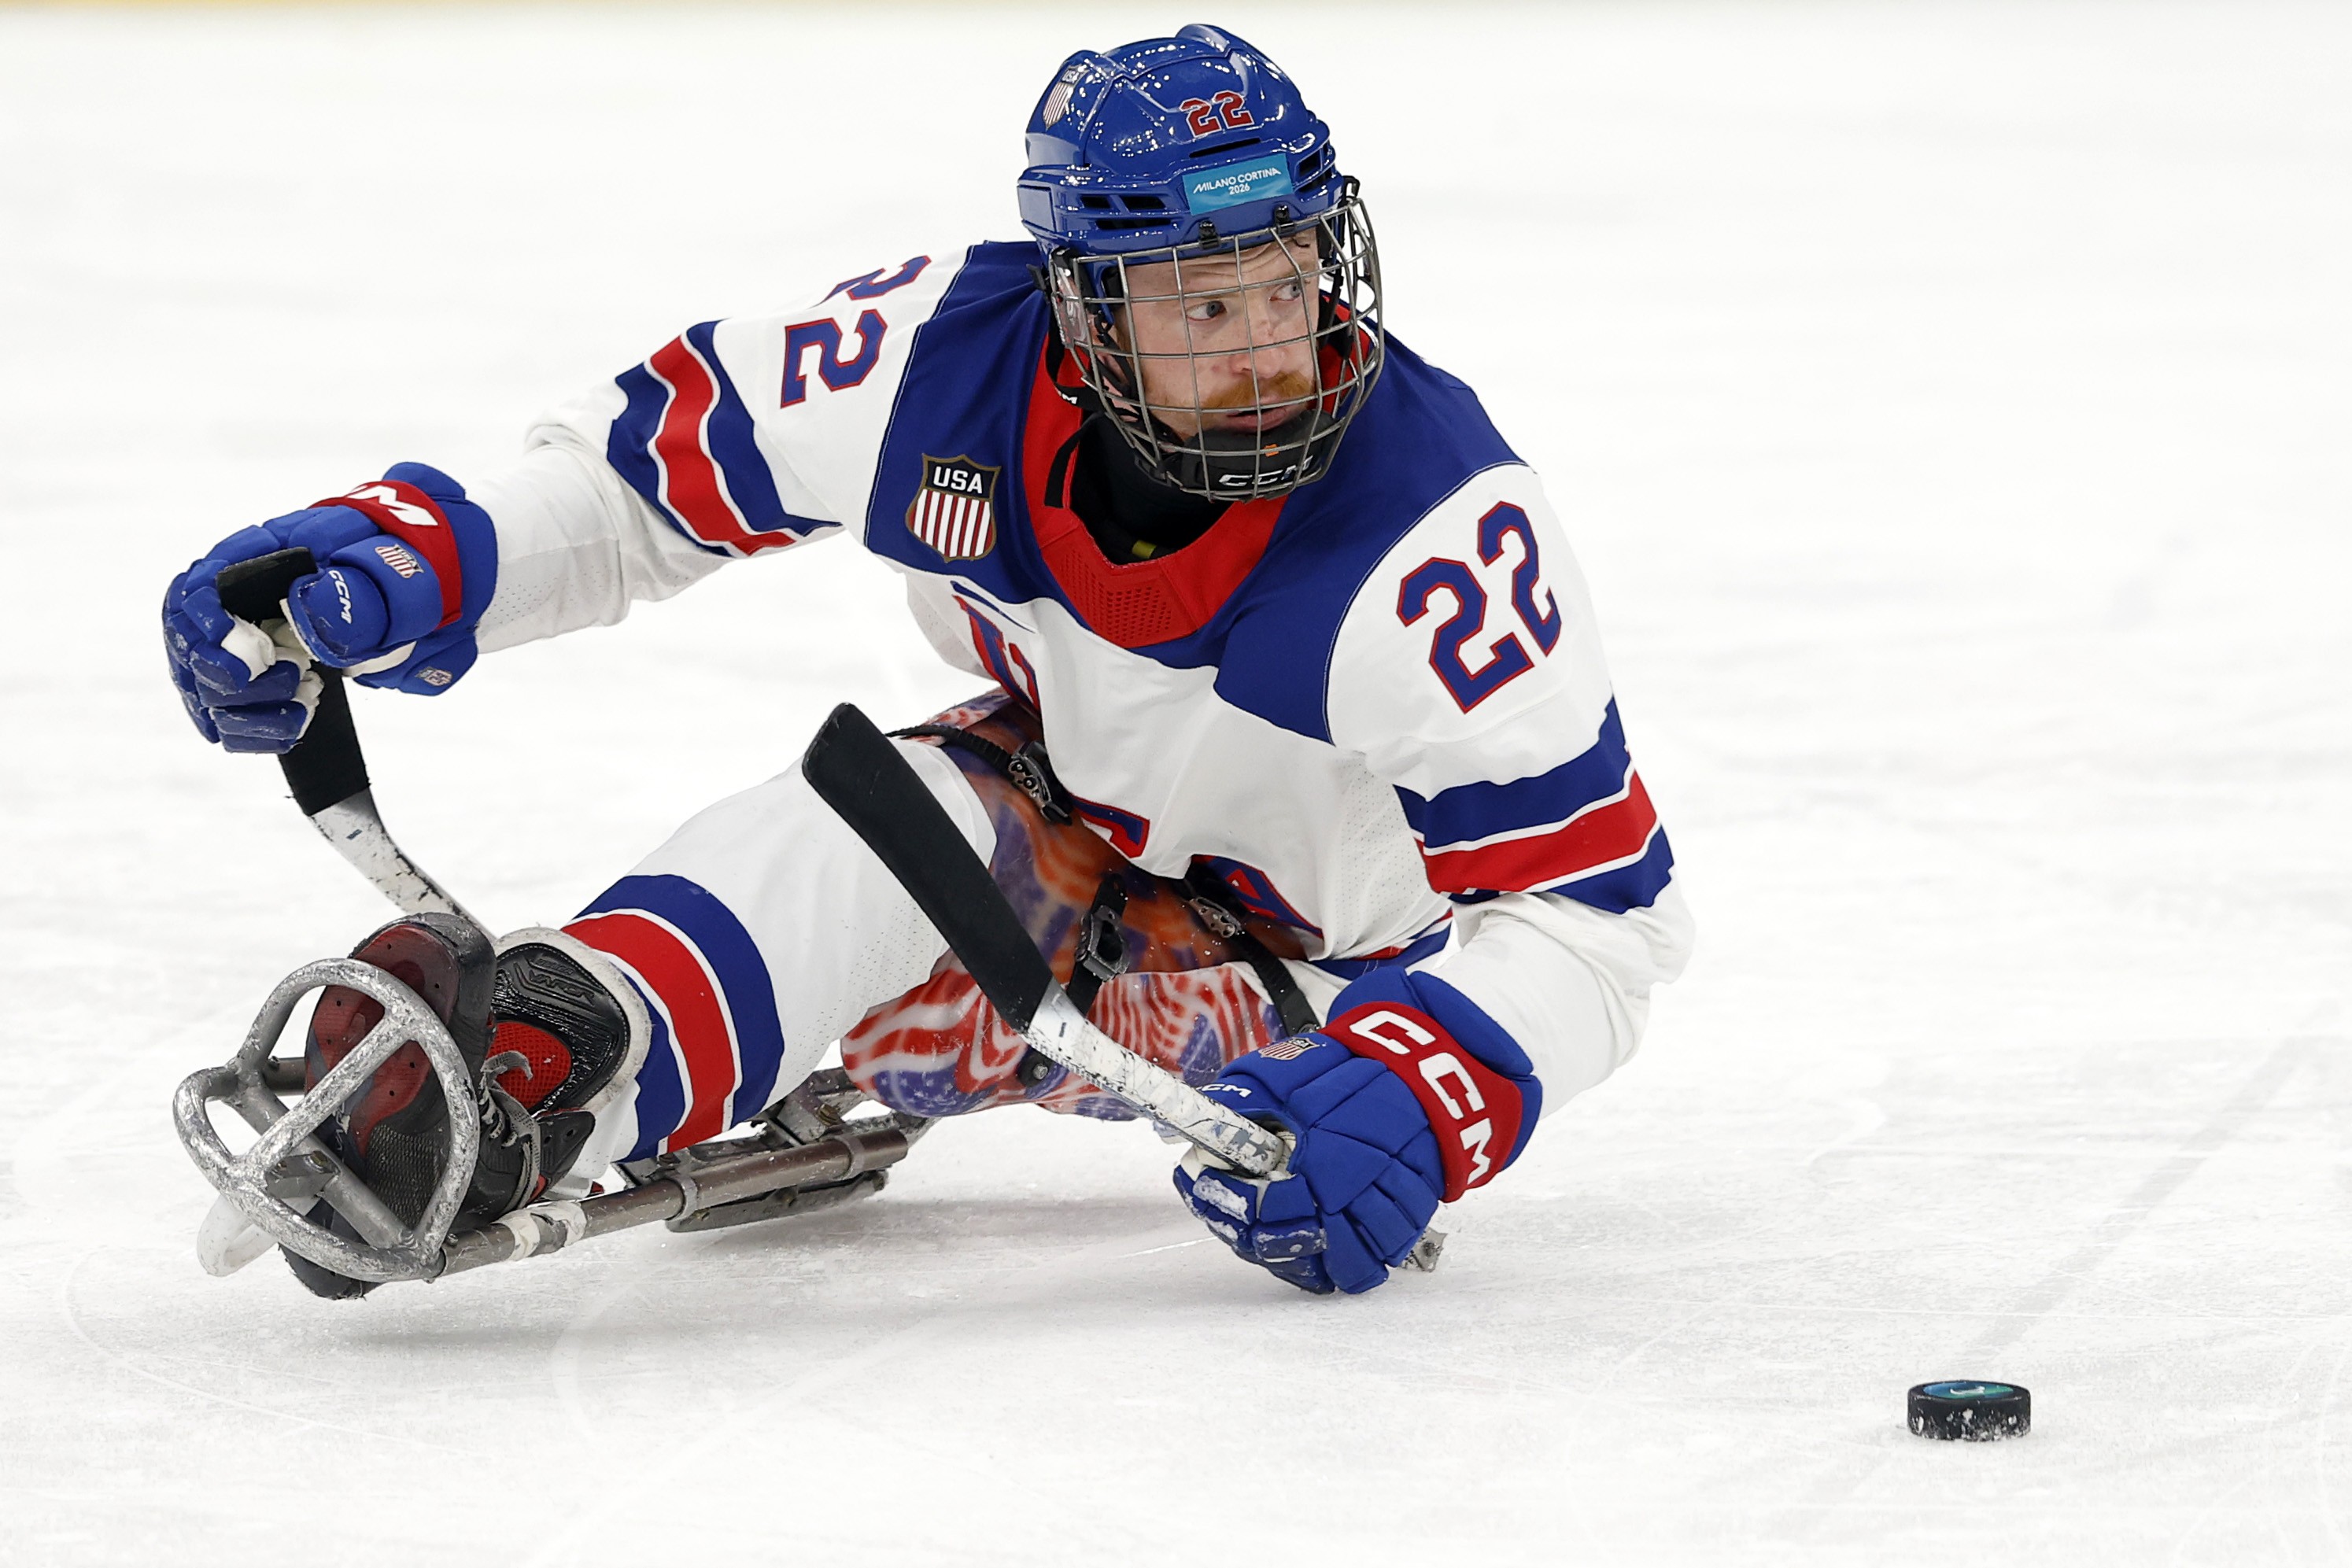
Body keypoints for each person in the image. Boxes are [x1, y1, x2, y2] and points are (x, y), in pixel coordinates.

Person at [160, 24, 1694, 1298]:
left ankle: (600, 1061)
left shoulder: (1430, 530)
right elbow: (640, 480)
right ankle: (518, 1080)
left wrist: (1430, 1085)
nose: (1263, 350)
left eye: (1284, 280)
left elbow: (1603, 909)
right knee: (870, 820)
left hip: (1319, 983)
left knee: (934, 936)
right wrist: (410, 557)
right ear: (1081, 314)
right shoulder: (933, 362)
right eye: (1196, 302)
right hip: (1048, 817)